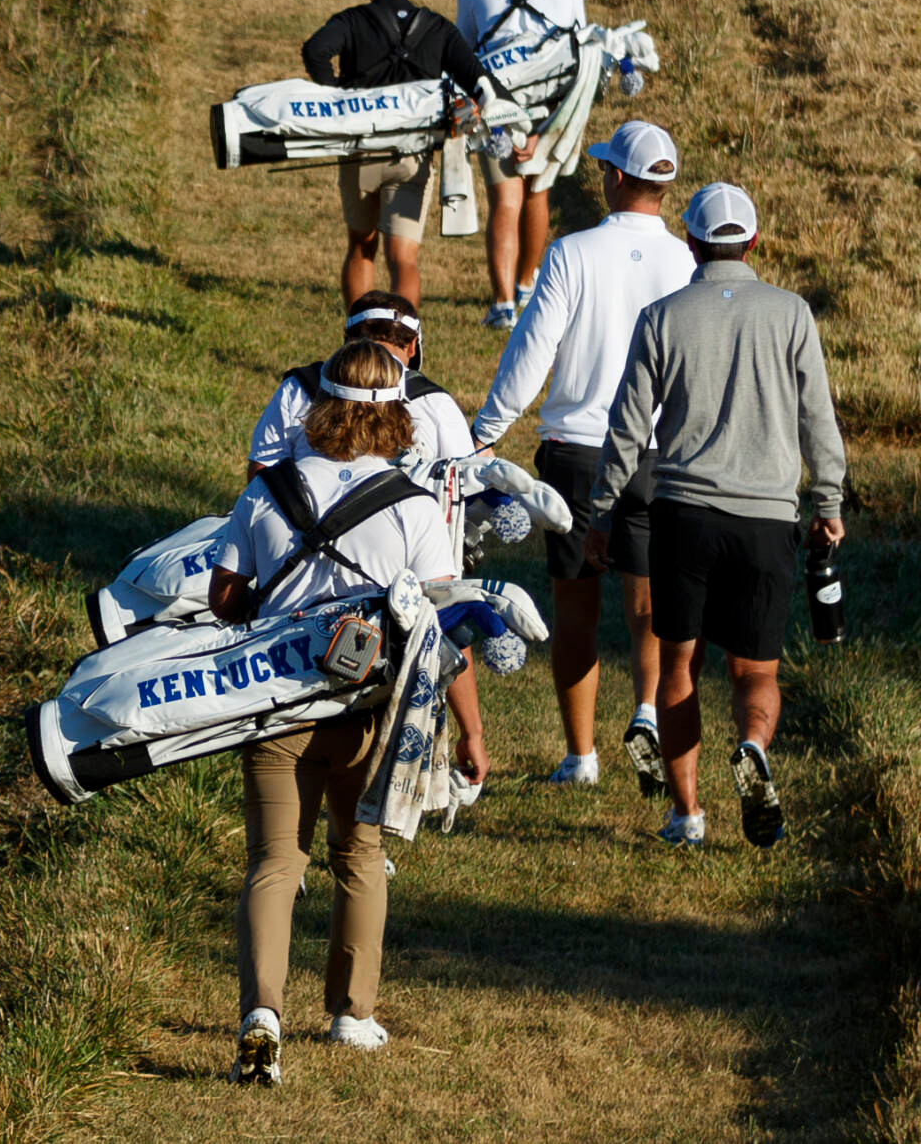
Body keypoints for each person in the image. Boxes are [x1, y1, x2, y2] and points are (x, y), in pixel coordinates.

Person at [207, 341, 483, 1085]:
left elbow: (224, 600)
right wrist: (472, 729)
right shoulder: (416, 508)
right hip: (369, 712)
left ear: (320, 407)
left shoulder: (268, 491)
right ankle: (352, 1013)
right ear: (398, 414)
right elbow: (443, 628)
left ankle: (261, 1016)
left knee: (273, 862)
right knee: (358, 857)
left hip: (275, 704)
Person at [587, 183, 847, 848]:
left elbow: (626, 428)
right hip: (765, 518)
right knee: (755, 672)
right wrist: (829, 502)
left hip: (683, 515)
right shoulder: (791, 314)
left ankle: (687, 816)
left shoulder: (661, 317)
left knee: (679, 667)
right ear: (753, 242)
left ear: (693, 242)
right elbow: (819, 416)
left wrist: (602, 508)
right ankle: (754, 747)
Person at [468, 121, 693, 792]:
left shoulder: (571, 254)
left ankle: (581, 754)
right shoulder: (686, 262)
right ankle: (648, 709)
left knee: (576, 604)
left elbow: (530, 354)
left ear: (619, 178)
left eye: (605, 170)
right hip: (656, 450)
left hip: (575, 450)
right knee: (647, 594)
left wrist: (486, 429)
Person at [302, 0, 489, 308]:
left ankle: (360, 336)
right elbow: (478, 80)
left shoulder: (351, 21)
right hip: (413, 157)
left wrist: (335, 94)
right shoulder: (437, 27)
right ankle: (401, 341)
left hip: (360, 150)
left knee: (361, 246)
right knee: (403, 258)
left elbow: (315, 50)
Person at [456, 0, 588, 330]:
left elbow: (463, 48)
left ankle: (502, 304)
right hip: (550, 103)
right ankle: (528, 283)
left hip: (496, 102)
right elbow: (578, 46)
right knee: (538, 193)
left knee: (504, 201)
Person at [247, 290, 476, 475]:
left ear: (346, 340)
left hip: (305, 529)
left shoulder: (297, 389)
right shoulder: (436, 403)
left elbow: (262, 471)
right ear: (413, 345)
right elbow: (465, 485)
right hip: (402, 528)